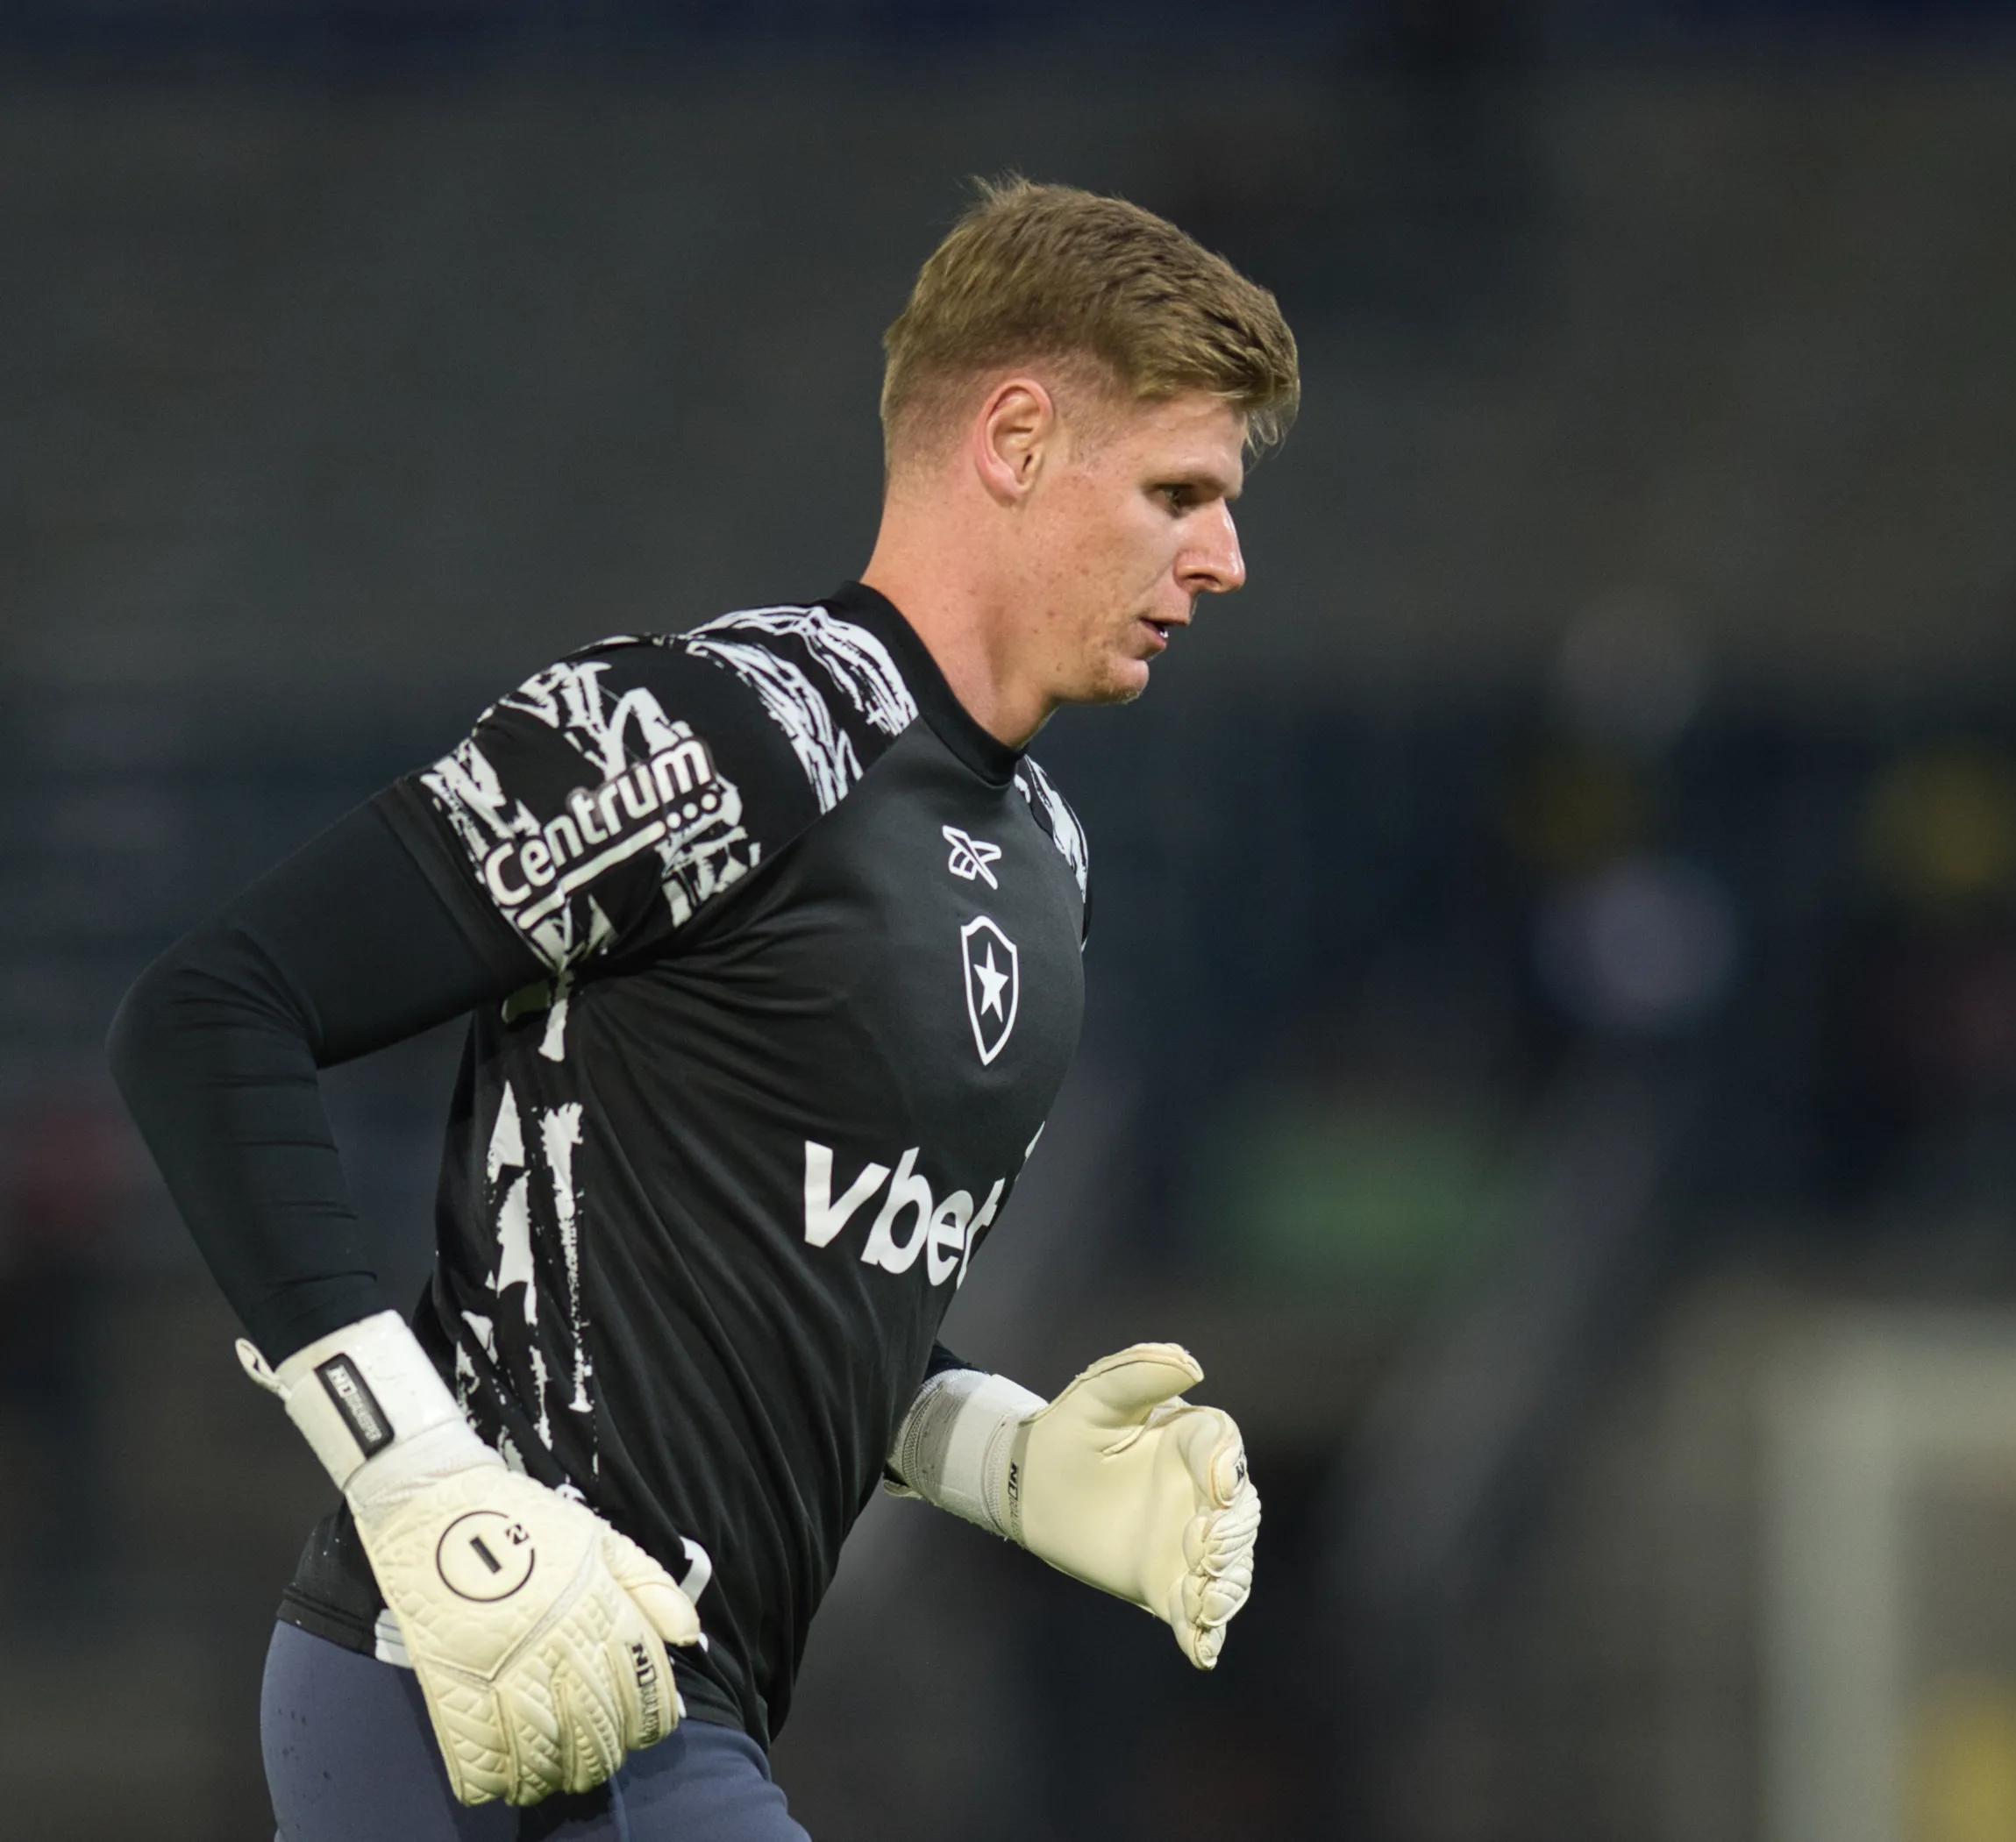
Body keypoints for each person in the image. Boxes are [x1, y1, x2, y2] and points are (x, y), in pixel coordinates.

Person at [109, 177, 1296, 1840]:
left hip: (670, 1719)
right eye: (1181, 490)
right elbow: (208, 1014)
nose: (1228, 557)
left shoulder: (1049, 860)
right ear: (1017, 440)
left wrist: (1012, 1467)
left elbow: (777, 1291)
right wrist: (418, 1478)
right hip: (474, 1693)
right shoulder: (729, 728)